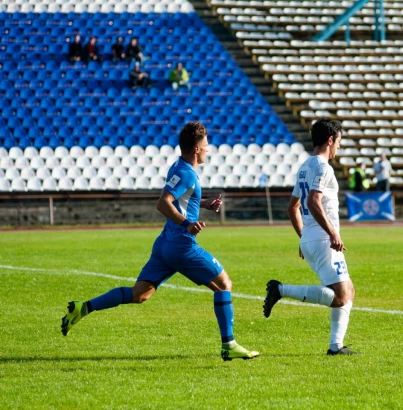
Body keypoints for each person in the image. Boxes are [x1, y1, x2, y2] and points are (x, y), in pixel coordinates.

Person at [61, 122, 259, 361]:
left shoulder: (179, 166)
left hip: (165, 244)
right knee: (224, 285)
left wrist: (204, 204)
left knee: (139, 295)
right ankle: (229, 344)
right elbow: (163, 202)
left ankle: (83, 308)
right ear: (196, 148)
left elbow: (180, 200)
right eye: (206, 145)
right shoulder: (186, 173)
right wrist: (187, 224)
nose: (208, 149)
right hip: (182, 246)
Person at [263, 118, 359, 356]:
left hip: (311, 238)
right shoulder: (323, 168)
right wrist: (333, 233)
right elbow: (312, 201)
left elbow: (292, 207)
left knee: (348, 291)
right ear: (330, 140)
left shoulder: (305, 166)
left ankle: (336, 346)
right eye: (338, 142)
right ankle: (280, 289)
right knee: (341, 296)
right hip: (323, 240)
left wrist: (303, 237)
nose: (338, 147)